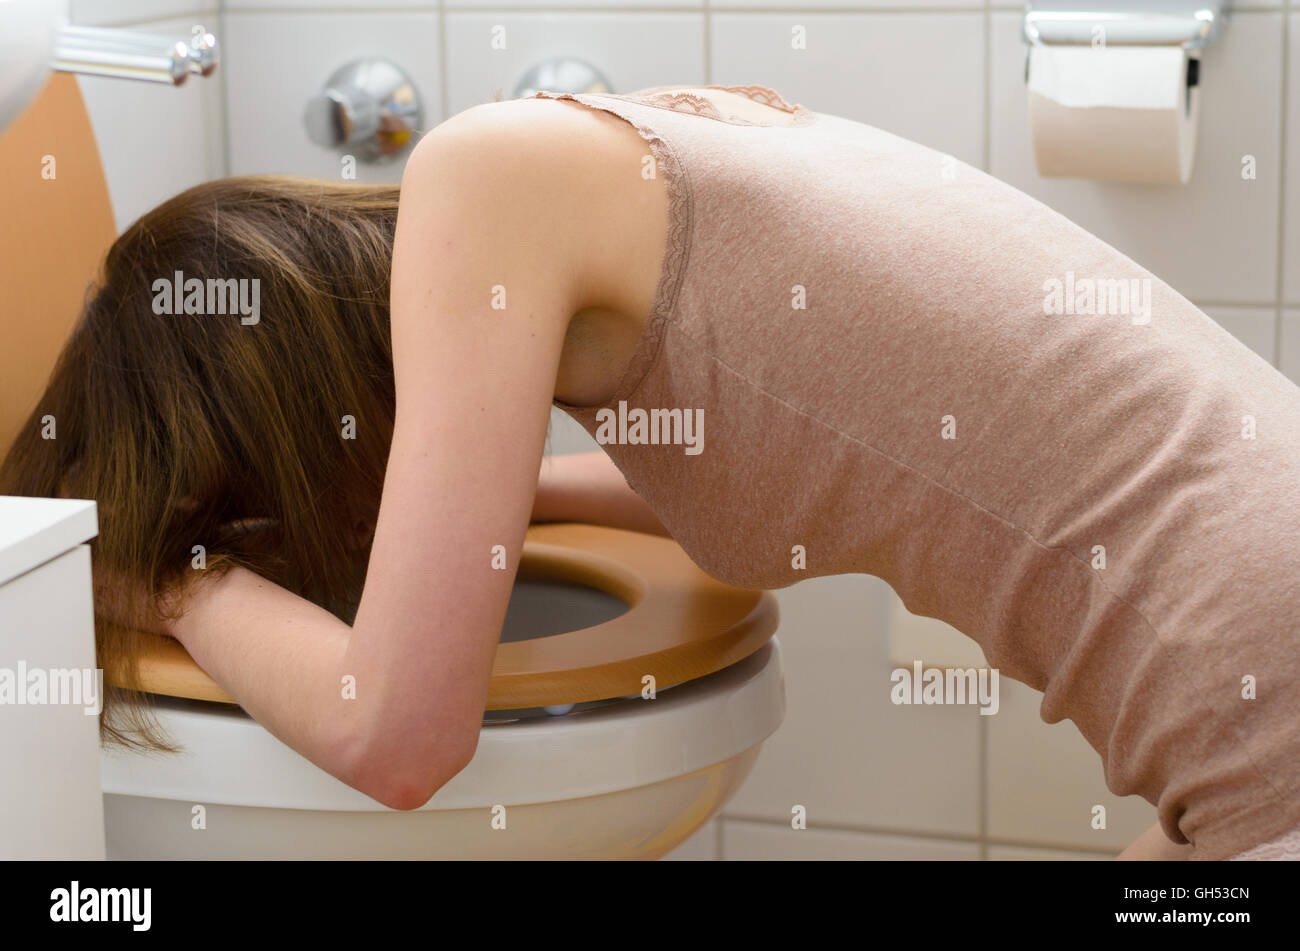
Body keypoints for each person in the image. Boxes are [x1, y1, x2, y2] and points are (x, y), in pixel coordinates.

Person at [3, 85, 1296, 860]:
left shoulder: (483, 175)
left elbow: (396, 739)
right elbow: (858, 456)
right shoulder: (650, 147)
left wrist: (164, 576)